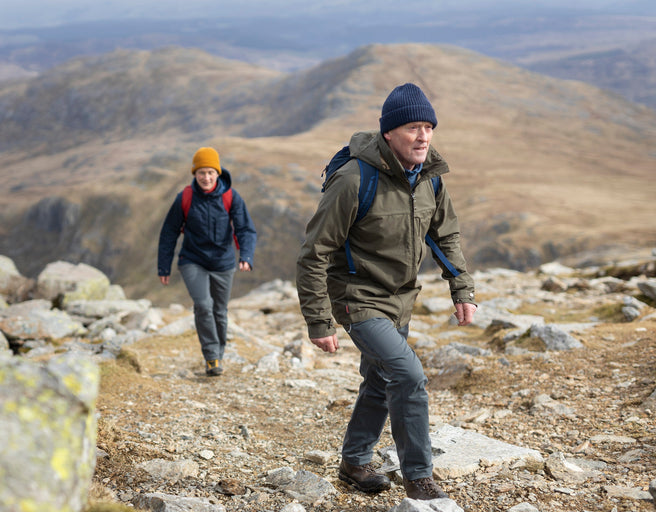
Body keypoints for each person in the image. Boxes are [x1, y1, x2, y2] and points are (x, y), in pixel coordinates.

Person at [296, 83, 477, 500]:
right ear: (390, 133)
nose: (423, 136)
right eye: (414, 127)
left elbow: (444, 237)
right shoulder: (353, 179)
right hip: (356, 297)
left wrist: (461, 290)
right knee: (408, 375)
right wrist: (319, 321)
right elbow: (314, 253)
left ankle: (354, 463)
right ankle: (419, 479)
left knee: (379, 380)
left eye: (429, 127)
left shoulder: (429, 177)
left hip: (401, 299)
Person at [158, 147, 257, 377]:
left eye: (210, 172)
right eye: (201, 172)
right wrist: (164, 266)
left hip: (223, 262)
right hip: (193, 260)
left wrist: (246, 256)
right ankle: (211, 356)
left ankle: (218, 354)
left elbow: (245, 229)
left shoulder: (230, 196)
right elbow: (169, 233)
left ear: (217, 173)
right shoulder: (185, 197)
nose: (206, 177)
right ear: (195, 173)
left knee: (220, 311)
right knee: (203, 305)